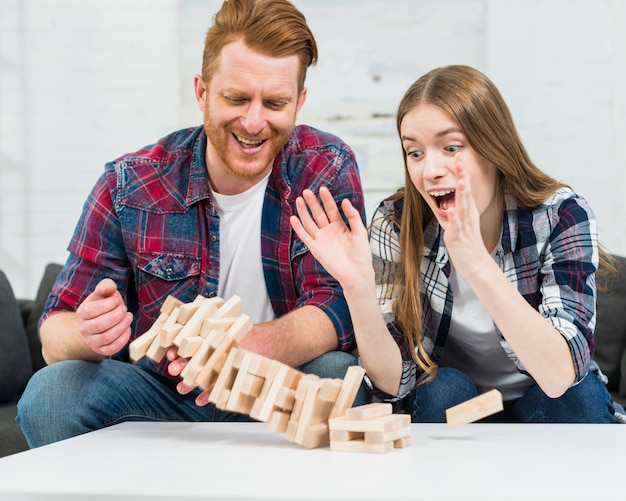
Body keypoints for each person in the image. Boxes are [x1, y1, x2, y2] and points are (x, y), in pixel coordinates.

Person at [17, 0, 369, 448]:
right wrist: (86, 332)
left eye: (275, 102)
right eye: (236, 98)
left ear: (299, 101)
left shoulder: (324, 168)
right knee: (51, 396)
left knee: (340, 377)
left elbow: (337, 306)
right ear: (202, 92)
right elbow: (54, 331)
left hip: (275, 388)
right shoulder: (130, 183)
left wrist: (245, 348)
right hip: (166, 401)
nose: (254, 122)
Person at [290, 64, 626, 423]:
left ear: (494, 146)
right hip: (457, 407)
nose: (430, 170)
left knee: (582, 394)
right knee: (441, 388)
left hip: (543, 396)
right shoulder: (395, 223)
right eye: (415, 152)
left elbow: (561, 375)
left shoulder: (561, 215)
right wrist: (357, 287)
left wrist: (478, 265)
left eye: (451, 147)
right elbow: (392, 383)